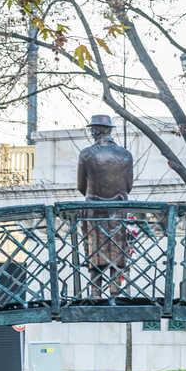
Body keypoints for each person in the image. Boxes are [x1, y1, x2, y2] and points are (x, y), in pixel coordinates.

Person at [76, 115, 134, 298]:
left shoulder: (86, 154)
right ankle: (115, 288)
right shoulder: (125, 155)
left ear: (96, 130)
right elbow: (129, 185)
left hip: (94, 209)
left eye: (92, 128)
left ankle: (95, 290)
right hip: (118, 209)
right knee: (118, 247)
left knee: (94, 247)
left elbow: (80, 186)